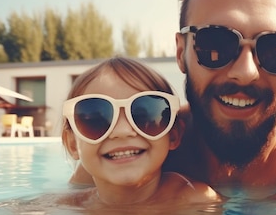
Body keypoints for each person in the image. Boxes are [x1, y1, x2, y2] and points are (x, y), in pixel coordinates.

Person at [69, 0, 276, 195]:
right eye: (216, 44)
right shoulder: (145, 142)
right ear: (181, 53)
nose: (246, 72)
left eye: (274, 49)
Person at [61, 56, 220, 206]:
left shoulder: (195, 201)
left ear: (173, 134)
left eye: (144, 116)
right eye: (96, 120)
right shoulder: (69, 207)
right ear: (73, 144)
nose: (122, 131)